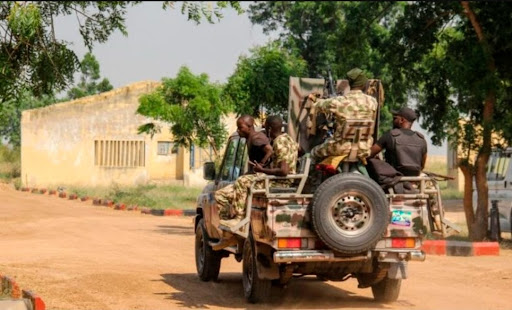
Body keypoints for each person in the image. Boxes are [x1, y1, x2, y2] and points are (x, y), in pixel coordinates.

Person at [212, 115, 299, 249]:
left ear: (269, 128)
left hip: (280, 182)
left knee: (243, 180)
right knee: (221, 194)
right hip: (282, 180)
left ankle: (239, 218)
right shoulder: (290, 140)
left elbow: (284, 171)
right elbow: (302, 152)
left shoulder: (279, 142)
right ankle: (229, 236)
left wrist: (261, 169)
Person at [307, 68, 378, 163]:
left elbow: (317, 105)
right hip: (364, 148)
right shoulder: (372, 102)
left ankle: (310, 177)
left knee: (312, 153)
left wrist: (315, 99)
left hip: (339, 148)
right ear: (363, 84)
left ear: (349, 84)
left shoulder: (338, 101)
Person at [215, 115, 272, 220]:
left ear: (249, 127)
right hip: (254, 177)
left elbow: (270, 150)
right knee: (220, 195)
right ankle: (227, 222)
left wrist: (262, 164)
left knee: (241, 181)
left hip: (262, 177)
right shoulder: (250, 138)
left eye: (240, 127)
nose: (238, 130)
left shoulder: (256, 138)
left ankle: (239, 218)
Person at [368, 107, 427, 176]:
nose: (393, 121)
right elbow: (422, 165)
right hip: (414, 177)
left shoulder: (390, 135)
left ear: (401, 120)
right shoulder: (421, 139)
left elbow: (369, 154)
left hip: (393, 177)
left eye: (395, 118)